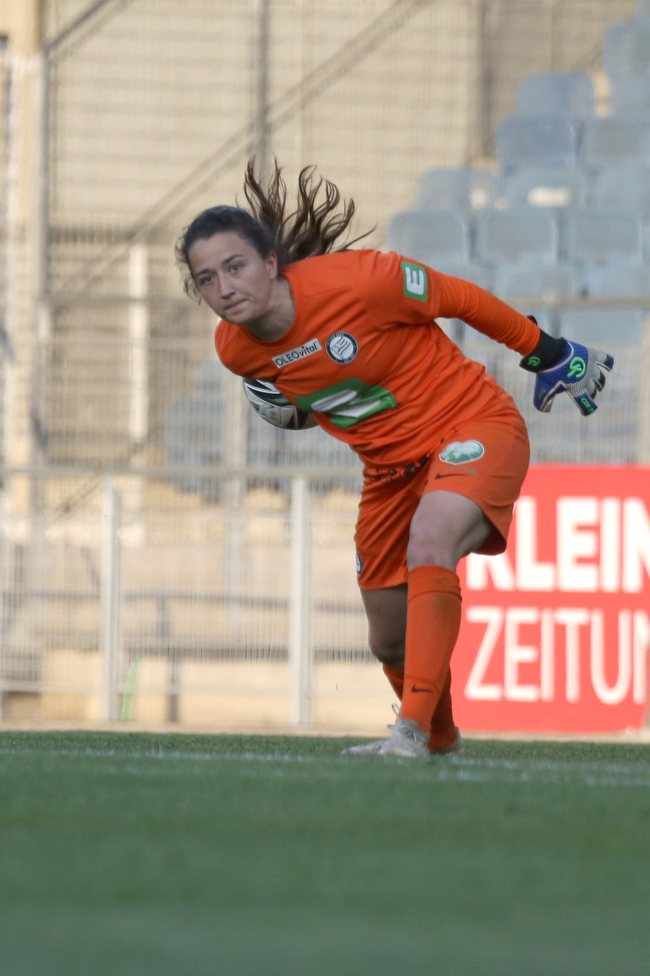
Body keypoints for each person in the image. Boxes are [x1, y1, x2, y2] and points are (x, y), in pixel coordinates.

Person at [176, 160, 613, 758]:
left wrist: (547, 351)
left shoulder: (360, 281)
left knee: (430, 542)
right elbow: (311, 392)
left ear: (271, 264)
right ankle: (439, 739)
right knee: (389, 639)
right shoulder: (235, 351)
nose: (224, 289)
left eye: (235, 267)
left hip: (472, 423)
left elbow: (459, 297)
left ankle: (406, 731)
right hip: (387, 473)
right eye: (206, 280)